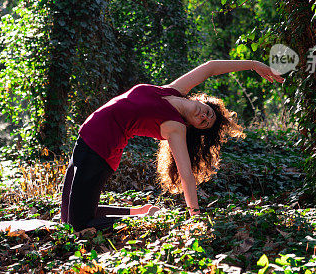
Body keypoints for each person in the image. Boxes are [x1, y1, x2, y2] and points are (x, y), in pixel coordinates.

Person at [59, 59, 284, 231]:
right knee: (67, 218)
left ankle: (142, 218)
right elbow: (211, 67)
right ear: (202, 101)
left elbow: (186, 174)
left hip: (101, 150)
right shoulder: (172, 90)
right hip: (86, 136)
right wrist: (253, 65)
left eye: (204, 123)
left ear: (193, 126)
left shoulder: (175, 127)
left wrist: (195, 215)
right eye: (208, 113)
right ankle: (140, 212)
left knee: (78, 226)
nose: (204, 116)